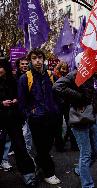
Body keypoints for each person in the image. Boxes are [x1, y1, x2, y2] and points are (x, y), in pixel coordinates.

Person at [53, 55, 97, 188]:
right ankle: (87, 184)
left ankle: (81, 170)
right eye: (91, 61)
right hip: (79, 121)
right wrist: (78, 97)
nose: (94, 64)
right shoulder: (74, 74)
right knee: (86, 153)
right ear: (82, 63)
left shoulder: (95, 77)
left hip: (92, 119)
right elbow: (57, 86)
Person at [18, 49, 61, 185]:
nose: (38, 61)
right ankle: (49, 172)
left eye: (40, 57)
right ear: (31, 60)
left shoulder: (50, 75)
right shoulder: (25, 78)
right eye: (34, 58)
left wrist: (56, 109)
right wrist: (29, 113)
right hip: (36, 118)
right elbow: (22, 101)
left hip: (51, 117)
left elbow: (57, 94)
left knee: (47, 145)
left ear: (43, 59)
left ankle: (38, 163)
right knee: (41, 146)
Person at [0, 59, 37, 187]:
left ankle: (29, 176)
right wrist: (1, 103)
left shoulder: (14, 80)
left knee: (20, 147)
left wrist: (16, 100)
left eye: (1, 67)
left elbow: (22, 96)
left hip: (13, 118)